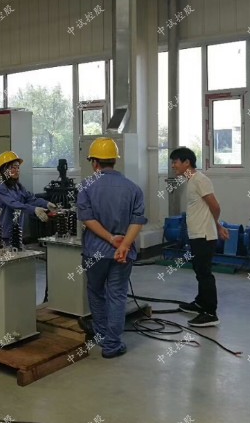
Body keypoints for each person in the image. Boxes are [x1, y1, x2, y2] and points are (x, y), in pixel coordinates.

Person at [77, 137, 147, 358]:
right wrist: (123, 244)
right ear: (115, 160)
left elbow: (87, 219)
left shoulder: (86, 187)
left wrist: (109, 238)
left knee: (96, 292)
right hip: (121, 254)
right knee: (117, 295)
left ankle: (101, 334)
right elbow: (137, 221)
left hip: (95, 251)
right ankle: (112, 345)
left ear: (95, 162)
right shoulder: (133, 188)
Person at [170, 147, 229, 327]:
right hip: (197, 233)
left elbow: (215, 206)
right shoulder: (191, 181)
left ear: (187, 162)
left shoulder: (200, 180)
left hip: (203, 235)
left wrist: (214, 225)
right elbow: (206, 209)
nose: (173, 166)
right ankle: (200, 303)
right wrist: (217, 225)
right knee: (199, 270)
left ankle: (210, 313)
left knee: (204, 273)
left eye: (175, 162)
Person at [0, 151, 56, 246]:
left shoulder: (18, 187)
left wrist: (46, 204)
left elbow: (30, 199)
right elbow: (14, 204)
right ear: (4, 170)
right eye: (13, 167)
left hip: (18, 232)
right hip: (6, 234)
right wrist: (34, 209)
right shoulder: (0, 188)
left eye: (18, 167)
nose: (17, 170)